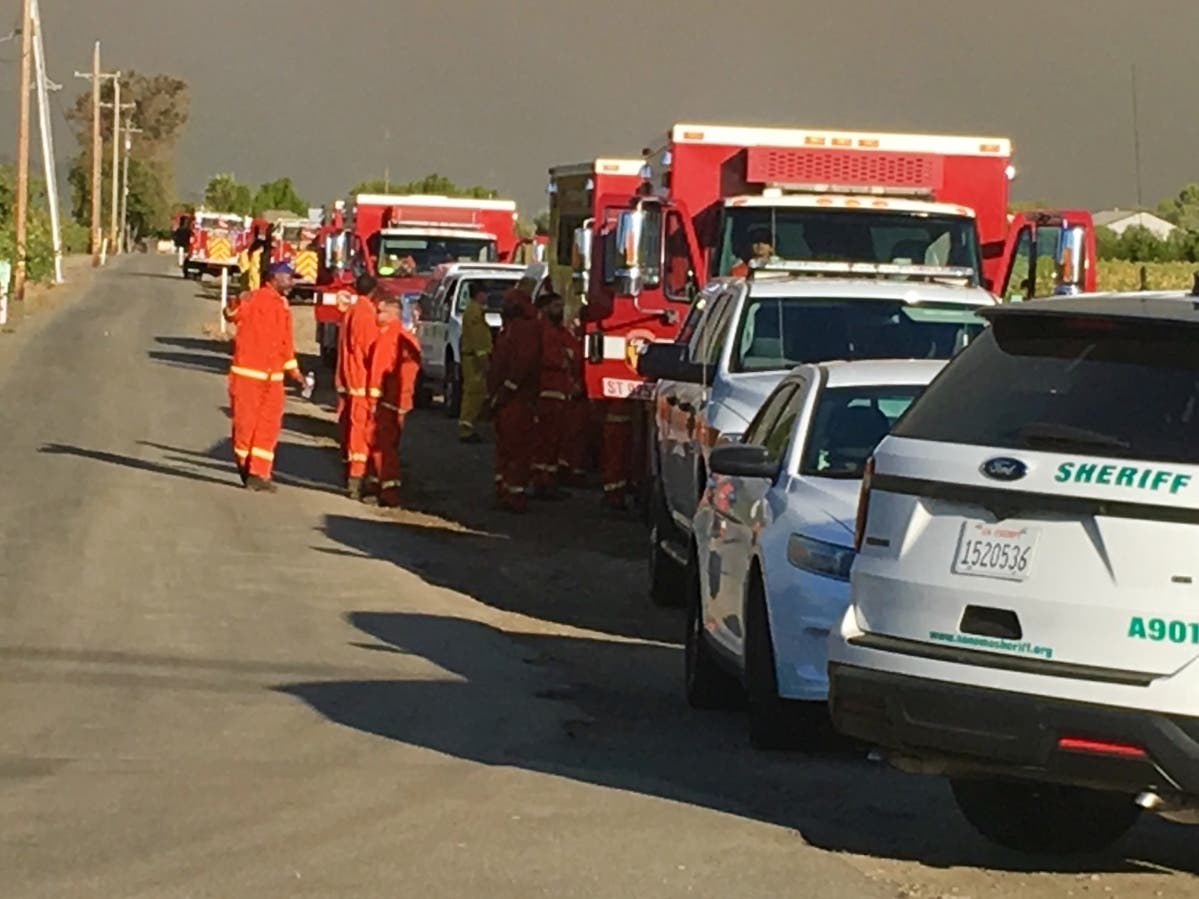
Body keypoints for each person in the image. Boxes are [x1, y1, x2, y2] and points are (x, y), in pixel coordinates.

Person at [223, 262, 307, 491]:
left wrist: (295, 372)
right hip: (248, 377)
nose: (293, 283)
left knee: (268, 427)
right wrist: (235, 299)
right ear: (274, 277)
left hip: (274, 380)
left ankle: (259, 473)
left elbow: (285, 344)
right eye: (289, 278)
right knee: (245, 425)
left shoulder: (283, 305)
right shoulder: (254, 298)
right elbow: (232, 315)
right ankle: (246, 467)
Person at [488, 286, 541, 513]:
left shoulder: (521, 329)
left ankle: (511, 492)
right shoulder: (513, 329)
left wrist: (504, 392)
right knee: (510, 448)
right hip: (511, 399)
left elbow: (521, 364)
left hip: (516, 399)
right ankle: (508, 491)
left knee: (514, 448)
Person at [366, 294, 422, 508]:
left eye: (380, 312)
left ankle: (388, 490)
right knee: (389, 445)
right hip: (402, 401)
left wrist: (372, 399)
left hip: (388, 400)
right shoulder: (408, 337)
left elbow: (378, 370)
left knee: (383, 445)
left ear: (391, 314)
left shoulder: (388, 337)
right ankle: (376, 483)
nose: (376, 316)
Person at [335, 274, 380, 499]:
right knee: (359, 431)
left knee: (350, 428)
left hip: (350, 378)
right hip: (360, 381)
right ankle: (356, 479)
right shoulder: (364, 312)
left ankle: (353, 474)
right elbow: (367, 349)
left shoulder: (353, 310)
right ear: (373, 291)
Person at [531, 292, 573, 499]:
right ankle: (541, 482)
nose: (561, 310)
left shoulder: (558, 331)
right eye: (556, 306)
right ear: (546, 308)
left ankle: (548, 481)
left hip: (560, 392)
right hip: (548, 392)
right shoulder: (544, 330)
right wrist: (563, 360)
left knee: (554, 441)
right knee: (545, 441)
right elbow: (549, 357)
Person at [458, 283, 493, 443]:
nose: (486, 297)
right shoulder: (475, 313)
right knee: (473, 394)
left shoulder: (472, 310)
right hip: (474, 360)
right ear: (479, 294)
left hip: (471, 357)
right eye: (485, 293)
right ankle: (466, 428)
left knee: (473, 393)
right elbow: (479, 339)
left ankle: (469, 425)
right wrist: (484, 360)